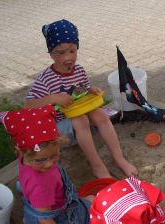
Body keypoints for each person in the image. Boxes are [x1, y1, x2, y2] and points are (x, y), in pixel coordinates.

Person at [24, 19, 137, 178]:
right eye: (60, 52)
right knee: (80, 120)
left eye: (72, 51)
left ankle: (119, 159)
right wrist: (53, 98)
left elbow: (81, 90)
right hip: (58, 131)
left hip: (81, 128)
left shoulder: (79, 70)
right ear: (50, 53)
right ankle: (97, 166)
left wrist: (91, 90)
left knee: (100, 114)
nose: (68, 58)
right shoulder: (45, 80)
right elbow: (28, 106)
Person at [0, 105, 91, 224]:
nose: (50, 163)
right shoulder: (41, 184)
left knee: (39, 214)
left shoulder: (25, 157)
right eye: (41, 160)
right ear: (21, 151)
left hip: (37, 212)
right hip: (57, 221)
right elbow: (46, 220)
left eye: (54, 155)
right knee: (90, 212)